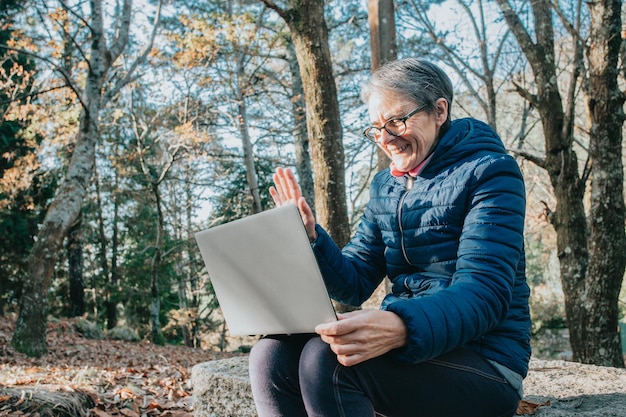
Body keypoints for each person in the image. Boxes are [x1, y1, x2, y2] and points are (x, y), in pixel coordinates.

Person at [248, 58, 531, 417]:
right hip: (415, 348)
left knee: (329, 361)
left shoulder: (491, 173)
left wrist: (401, 325)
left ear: (439, 110)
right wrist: (311, 237)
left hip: (485, 362)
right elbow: (354, 282)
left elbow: (485, 295)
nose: (385, 138)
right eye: (376, 128)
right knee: (271, 355)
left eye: (397, 121)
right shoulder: (387, 186)